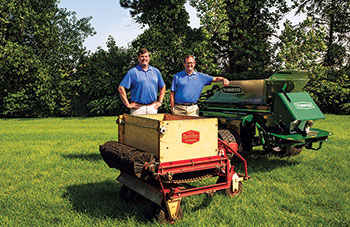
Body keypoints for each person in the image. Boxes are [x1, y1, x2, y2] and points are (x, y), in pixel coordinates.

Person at [118, 48, 166, 115]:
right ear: (138, 58)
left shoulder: (156, 71)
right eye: (142, 56)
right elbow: (121, 88)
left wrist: (160, 101)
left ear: (149, 57)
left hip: (153, 108)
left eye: (146, 56)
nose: (144, 58)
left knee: (152, 126)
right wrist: (127, 104)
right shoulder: (132, 72)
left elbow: (163, 86)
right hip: (138, 109)